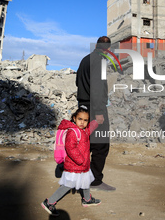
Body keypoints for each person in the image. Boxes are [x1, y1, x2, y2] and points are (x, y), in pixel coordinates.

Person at [41, 106, 100, 217]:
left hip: (83, 165)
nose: (82, 122)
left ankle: (87, 199)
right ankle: (49, 202)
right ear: (74, 118)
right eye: (80, 119)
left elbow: (89, 130)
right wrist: (80, 160)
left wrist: (96, 122)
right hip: (75, 165)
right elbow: (70, 148)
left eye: (85, 120)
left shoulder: (83, 131)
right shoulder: (73, 132)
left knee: (86, 181)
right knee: (67, 185)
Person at [76, 36, 116, 191]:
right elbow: (98, 88)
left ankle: (81, 176)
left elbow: (78, 82)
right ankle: (95, 181)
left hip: (83, 108)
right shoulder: (99, 61)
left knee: (86, 144)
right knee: (100, 146)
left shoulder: (85, 60)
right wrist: (99, 112)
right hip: (95, 109)